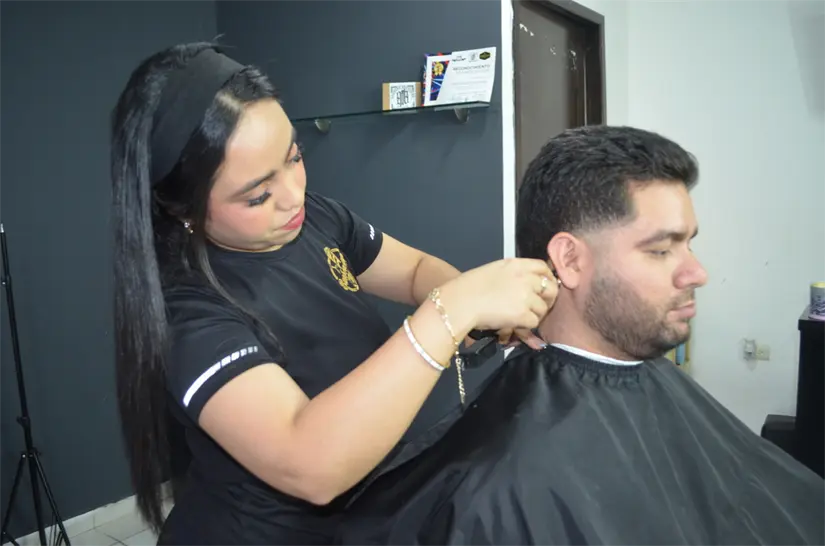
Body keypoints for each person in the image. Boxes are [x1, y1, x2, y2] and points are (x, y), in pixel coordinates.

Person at [110, 42, 560, 546]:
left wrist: (473, 314)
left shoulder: (316, 218)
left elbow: (413, 271)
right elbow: (309, 463)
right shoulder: (185, 314)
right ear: (183, 209)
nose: (292, 194)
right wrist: (453, 310)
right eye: (257, 195)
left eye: (294, 157)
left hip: (367, 518)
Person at [333, 125, 825, 545]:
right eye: (661, 250)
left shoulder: (651, 389)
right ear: (569, 260)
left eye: (690, 244)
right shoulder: (501, 484)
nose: (696, 273)